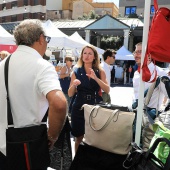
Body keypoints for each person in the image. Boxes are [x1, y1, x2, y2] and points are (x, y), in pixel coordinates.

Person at [0, 19, 67, 169]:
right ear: (41, 39)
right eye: (47, 40)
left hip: (2, 148)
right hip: (29, 149)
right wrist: (52, 136)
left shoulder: (2, 65)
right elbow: (59, 103)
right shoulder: (42, 66)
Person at [68, 45, 110, 153]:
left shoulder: (100, 72)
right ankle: (76, 163)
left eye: (90, 53)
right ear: (81, 56)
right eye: (85, 53)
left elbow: (107, 89)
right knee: (78, 138)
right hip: (78, 106)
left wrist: (96, 79)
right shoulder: (76, 71)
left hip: (94, 105)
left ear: (94, 57)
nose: (87, 56)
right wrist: (74, 85)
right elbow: (70, 93)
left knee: (94, 139)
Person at [132, 42, 169, 150]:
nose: (136, 55)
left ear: (149, 55)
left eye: (139, 52)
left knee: (146, 151)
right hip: (135, 117)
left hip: (150, 121)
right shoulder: (136, 73)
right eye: (135, 52)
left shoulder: (159, 73)